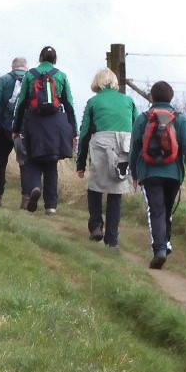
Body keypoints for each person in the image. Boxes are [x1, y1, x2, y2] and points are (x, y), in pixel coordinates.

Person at [128, 80, 186, 269]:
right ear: (171, 98)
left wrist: (134, 174)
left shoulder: (143, 119)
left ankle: (160, 249)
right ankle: (165, 243)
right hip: (173, 175)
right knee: (167, 211)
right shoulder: (180, 120)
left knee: (156, 210)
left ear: (151, 97)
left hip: (149, 173)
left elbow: (134, 149)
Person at [75, 67, 137, 247]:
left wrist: (80, 163)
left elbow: (84, 133)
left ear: (98, 83)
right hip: (125, 146)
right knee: (116, 192)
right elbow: (138, 129)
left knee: (95, 187)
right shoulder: (129, 101)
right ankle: (112, 240)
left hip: (102, 144)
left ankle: (95, 225)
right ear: (114, 83)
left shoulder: (93, 102)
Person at [11, 45, 76, 214]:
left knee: (32, 160)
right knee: (51, 164)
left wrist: (16, 128)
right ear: (55, 60)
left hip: (33, 121)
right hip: (55, 124)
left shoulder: (30, 75)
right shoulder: (61, 76)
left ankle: (34, 187)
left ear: (40, 58)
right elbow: (69, 104)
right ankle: (51, 206)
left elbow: (22, 103)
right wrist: (73, 131)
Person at [0, 56, 28, 206]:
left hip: (5, 126)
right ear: (25, 67)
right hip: (24, 128)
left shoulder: (4, 80)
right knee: (25, 161)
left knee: (1, 159)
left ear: (13, 67)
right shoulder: (32, 80)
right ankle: (26, 197)